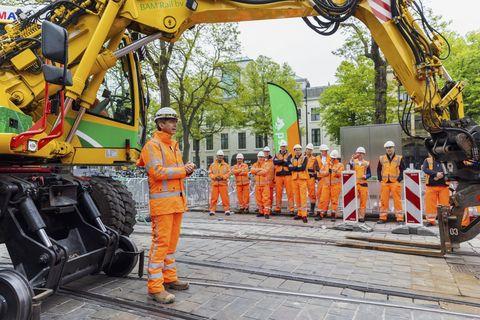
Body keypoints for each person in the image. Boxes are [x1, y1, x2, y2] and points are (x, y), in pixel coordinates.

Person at [137, 107, 194, 304]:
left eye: (175, 120)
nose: (174, 124)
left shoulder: (173, 146)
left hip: (176, 203)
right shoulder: (152, 145)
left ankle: (169, 279)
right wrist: (183, 170)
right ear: (161, 124)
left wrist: (185, 170)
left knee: (170, 245)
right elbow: (157, 172)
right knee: (161, 244)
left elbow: (172, 172)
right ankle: (155, 288)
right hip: (162, 205)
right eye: (170, 121)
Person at [377, 141, 405, 223]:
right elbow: (378, 169)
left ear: (393, 148)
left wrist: (399, 179)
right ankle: (382, 217)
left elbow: (403, 169)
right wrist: (380, 179)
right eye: (387, 148)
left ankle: (399, 218)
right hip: (385, 182)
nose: (388, 149)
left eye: (390, 147)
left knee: (397, 200)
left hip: (395, 183)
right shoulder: (382, 158)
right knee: (383, 200)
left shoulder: (399, 158)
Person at [421, 154, 449, 226]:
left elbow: (450, 169)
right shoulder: (427, 160)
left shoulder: (447, 160)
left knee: (445, 205)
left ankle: (444, 221)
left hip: (444, 186)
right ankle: (431, 221)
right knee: (430, 205)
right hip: (431, 186)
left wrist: (440, 175)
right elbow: (425, 169)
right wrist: (436, 174)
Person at [318, 150, 344, 221]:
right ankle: (322, 214)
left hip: (335, 186)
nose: (332, 159)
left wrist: (335, 171)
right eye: (331, 158)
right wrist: (326, 172)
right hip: (326, 185)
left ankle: (333, 215)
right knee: (323, 199)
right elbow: (320, 172)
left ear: (336, 158)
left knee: (334, 201)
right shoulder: (326, 164)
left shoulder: (340, 165)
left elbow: (341, 174)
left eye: (333, 158)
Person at [349, 147, 371, 222]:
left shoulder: (366, 163)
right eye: (359, 153)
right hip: (355, 184)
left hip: (363, 184)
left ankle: (361, 216)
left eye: (361, 153)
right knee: (352, 200)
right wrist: (352, 158)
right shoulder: (353, 162)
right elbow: (348, 166)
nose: (360, 155)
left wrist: (366, 176)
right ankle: (353, 215)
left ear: (364, 154)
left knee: (363, 201)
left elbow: (369, 174)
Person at [273, 140, 294, 214]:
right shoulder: (277, 154)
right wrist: (283, 161)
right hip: (278, 175)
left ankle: (291, 209)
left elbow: (289, 162)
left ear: (286, 147)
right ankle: (278, 208)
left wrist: (280, 162)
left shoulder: (290, 154)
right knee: (278, 193)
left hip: (288, 175)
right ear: (280, 147)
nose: (283, 147)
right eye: (282, 146)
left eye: (284, 146)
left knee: (290, 192)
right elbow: (275, 162)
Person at [290, 144, 309, 223]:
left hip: (302, 179)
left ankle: (304, 215)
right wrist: (297, 167)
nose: (297, 151)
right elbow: (290, 168)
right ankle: (299, 213)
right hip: (294, 179)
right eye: (296, 150)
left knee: (303, 197)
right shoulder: (291, 159)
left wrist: (295, 168)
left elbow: (303, 167)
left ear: (301, 150)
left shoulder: (305, 158)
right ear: (294, 151)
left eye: (299, 150)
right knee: (297, 197)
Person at [209, 150, 231, 216]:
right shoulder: (212, 165)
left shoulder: (226, 165)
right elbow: (210, 173)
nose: (220, 157)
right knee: (213, 198)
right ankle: (212, 210)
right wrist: (215, 177)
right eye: (219, 156)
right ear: (217, 156)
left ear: (223, 156)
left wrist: (223, 177)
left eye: (221, 156)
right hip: (215, 184)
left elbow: (229, 173)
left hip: (223, 184)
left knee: (225, 198)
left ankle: (227, 210)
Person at [251, 151, 272, 219]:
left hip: (265, 185)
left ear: (264, 157)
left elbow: (265, 172)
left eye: (262, 157)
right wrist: (260, 170)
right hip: (257, 185)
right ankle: (261, 211)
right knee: (258, 199)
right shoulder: (254, 164)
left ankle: (266, 213)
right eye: (260, 157)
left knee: (266, 199)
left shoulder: (267, 164)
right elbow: (252, 171)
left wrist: (256, 171)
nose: (261, 158)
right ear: (257, 157)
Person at [315, 144, 330, 219]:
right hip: (320, 179)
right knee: (319, 195)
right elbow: (315, 166)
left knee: (325, 196)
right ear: (321, 151)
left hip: (327, 179)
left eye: (326, 151)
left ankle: (324, 211)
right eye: (323, 151)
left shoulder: (329, 158)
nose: (325, 152)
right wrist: (319, 172)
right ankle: (320, 210)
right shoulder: (317, 158)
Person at [305, 143, 319, 215]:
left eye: (310, 150)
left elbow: (316, 169)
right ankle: (303, 209)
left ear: (312, 151)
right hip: (303, 178)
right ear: (306, 149)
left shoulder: (314, 159)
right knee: (303, 194)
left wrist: (316, 178)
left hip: (311, 178)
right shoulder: (302, 158)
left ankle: (312, 209)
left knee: (312, 193)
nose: (309, 151)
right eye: (308, 149)